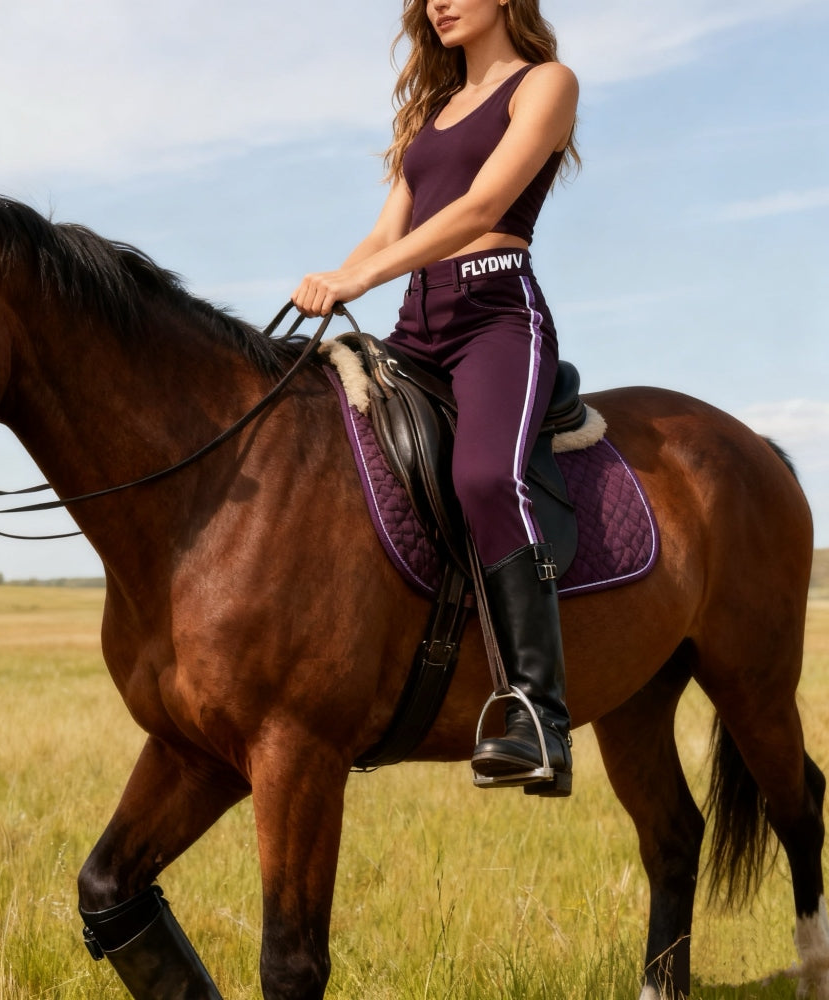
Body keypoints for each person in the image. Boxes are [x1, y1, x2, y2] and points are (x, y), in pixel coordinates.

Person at [291, 0, 579, 796]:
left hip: (495, 318)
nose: (436, 3)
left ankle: (537, 713)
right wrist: (329, 285)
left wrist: (361, 278)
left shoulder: (545, 84)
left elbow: (481, 209)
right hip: (416, 321)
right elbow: (388, 234)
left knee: (487, 477)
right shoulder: (428, 113)